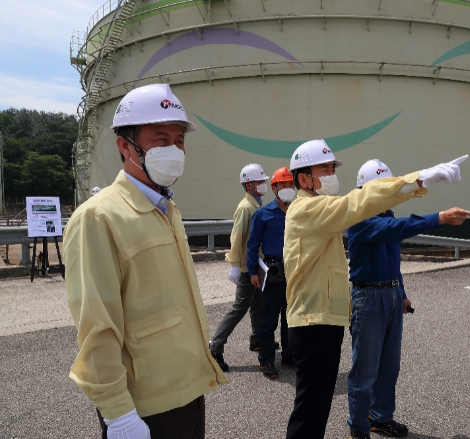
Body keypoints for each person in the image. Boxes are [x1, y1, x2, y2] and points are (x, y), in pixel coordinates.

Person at [63, 83, 227, 439]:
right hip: (145, 408)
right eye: (160, 139)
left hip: (188, 391)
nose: (174, 150)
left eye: (179, 141)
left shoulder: (167, 210)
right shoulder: (98, 218)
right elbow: (97, 328)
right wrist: (118, 414)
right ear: (125, 146)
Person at [283, 139, 467, 439]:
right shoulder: (308, 209)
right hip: (313, 321)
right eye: (324, 168)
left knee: (316, 408)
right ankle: (360, 426)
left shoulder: (320, 210)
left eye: (332, 167)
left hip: (324, 319)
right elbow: (360, 202)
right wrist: (421, 179)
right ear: (303, 178)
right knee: (311, 409)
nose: (331, 173)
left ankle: (379, 417)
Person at [346, 159, 470, 439]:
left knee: (389, 364)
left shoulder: (387, 213)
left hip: (390, 293)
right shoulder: (358, 218)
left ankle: (380, 417)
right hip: (367, 296)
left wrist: (400, 292)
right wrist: (439, 217)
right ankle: (358, 426)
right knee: (365, 368)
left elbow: (393, 259)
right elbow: (395, 230)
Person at [209, 163, 275, 372]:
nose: (263, 185)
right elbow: (237, 238)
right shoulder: (246, 208)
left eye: (263, 181)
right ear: (248, 186)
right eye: (259, 182)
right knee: (239, 308)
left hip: (256, 266)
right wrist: (235, 265)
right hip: (248, 268)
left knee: (258, 305)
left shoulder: (255, 205)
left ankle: (256, 339)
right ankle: (215, 347)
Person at [246, 167, 298, 379]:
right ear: (274, 188)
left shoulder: (298, 211)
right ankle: (266, 360)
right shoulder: (263, 214)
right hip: (273, 271)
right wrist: (253, 272)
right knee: (268, 319)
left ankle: (289, 355)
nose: (288, 188)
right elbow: (252, 244)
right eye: (283, 185)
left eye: (290, 185)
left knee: (290, 317)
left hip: (294, 270)